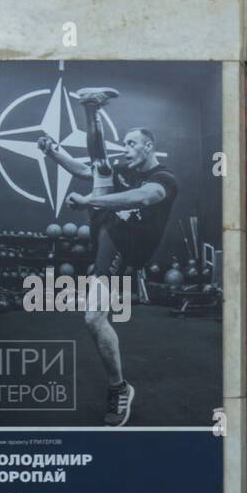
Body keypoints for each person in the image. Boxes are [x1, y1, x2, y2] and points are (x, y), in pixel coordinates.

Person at [38, 88, 179, 426]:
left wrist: (89, 202)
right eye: (126, 143)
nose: (127, 148)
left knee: (102, 172)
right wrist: (53, 150)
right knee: (93, 319)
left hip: (130, 249)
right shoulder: (121, 169)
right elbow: (79, 168)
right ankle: (119, 387)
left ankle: (93, 109)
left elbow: (144, 198)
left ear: (148, 146)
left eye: (132, 143)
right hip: (109, 237)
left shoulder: (165, 179)